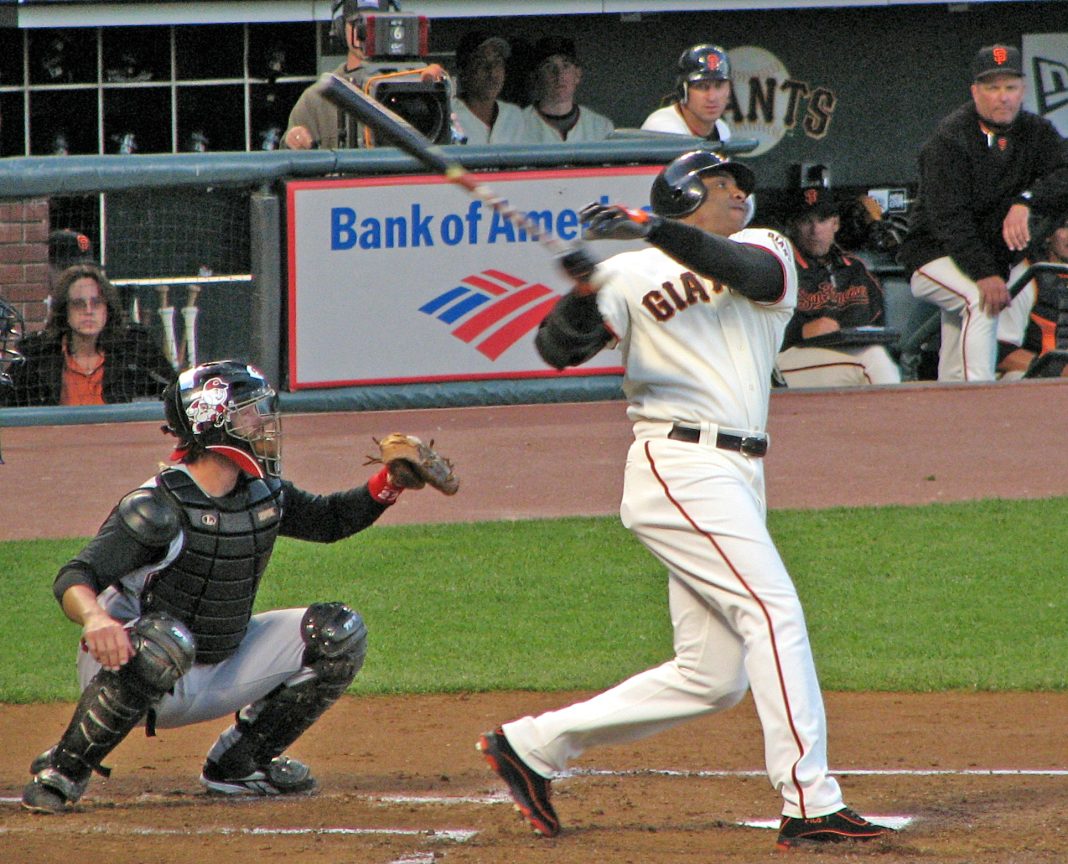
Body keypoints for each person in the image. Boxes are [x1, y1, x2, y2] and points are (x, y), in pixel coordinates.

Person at [476, 151, 891, 850]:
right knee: (773, 610)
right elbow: (556, 349)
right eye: (728, 184)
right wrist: (582, 298)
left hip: (738, 474)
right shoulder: (625, 273)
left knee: (711, 676)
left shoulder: (763, 249)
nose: (742, 195)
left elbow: (744, 272)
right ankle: (810, 800)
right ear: (687, 191)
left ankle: (531, 746)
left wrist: (649, 231)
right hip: (678, 464)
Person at [21, 359, 455, 813]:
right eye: (249, 413)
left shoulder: (262, 491)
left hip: (220, 660)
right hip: (136, 672)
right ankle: (66, 767)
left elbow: (330, 520)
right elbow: (75, 576)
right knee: (165, 641)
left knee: (338, 633)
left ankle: (240, 764)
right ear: (213, 424)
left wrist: (389, 484)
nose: (263, 423)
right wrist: (96, 619)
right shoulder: (156, 507)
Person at [897, 44, 1068, 382]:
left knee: (957, 331)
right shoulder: (949, 139)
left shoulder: (1036, 131)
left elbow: (1064, 172)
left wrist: (1026, 201)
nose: (1002, 97)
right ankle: (981, 399)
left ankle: (951, 409)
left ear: (1022, 90)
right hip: (934, 254)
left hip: (987, 256)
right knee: (979, 299)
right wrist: (985, 273)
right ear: (975, 92)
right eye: (992, 87)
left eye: (1010, 87)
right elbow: (950, 221)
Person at [776, 186, 902, 387]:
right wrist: (799, 331)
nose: (815, 230)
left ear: (835, 223)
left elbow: (878, 322)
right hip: (788, 356)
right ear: (793, 226)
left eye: (822, 220)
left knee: (876, 356)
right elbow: (754, 327)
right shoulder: (780, 268)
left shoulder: (855, 269)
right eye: (806, 221)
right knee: (872, 362)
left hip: (847, 355)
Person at [3, 263, 175, 407]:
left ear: (108, 308)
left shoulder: (136, 352)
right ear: (65, 310)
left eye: (96, 303)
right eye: (79, 304)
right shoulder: (35, 358)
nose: (88, 311)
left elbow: (177, 397)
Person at [282, 0, 446, 150]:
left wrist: (438, 90)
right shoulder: (319, 96)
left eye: (373, 24)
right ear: (340, 28)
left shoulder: (416, 84)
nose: (365, 34)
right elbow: (288, 163)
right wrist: (293, 141)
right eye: (358, 24)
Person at [997, 211, 1068, 377]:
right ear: (1048, 234)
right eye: (1065, 227)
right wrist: (1058, 371)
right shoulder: (1026, 275)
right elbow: (1001, 352)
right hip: (1036, 378)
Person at [521, 36, 614, 143]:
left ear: (577, 74)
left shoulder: (600, 126)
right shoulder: (518, 126)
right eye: (549, 67)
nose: (559, 74)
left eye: (566, 66)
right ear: (536, 77)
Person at [641, 44, 733, 143]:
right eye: (702, 87)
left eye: (719, 86)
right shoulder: (662, 127)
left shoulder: (722, 130)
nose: (712, 97)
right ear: (683, 91)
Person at [450, 31, 527, 146]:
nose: (492, 72)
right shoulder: (449, 113)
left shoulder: (514, 115)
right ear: (464, 71)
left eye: (497, 62)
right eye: (481, 63)